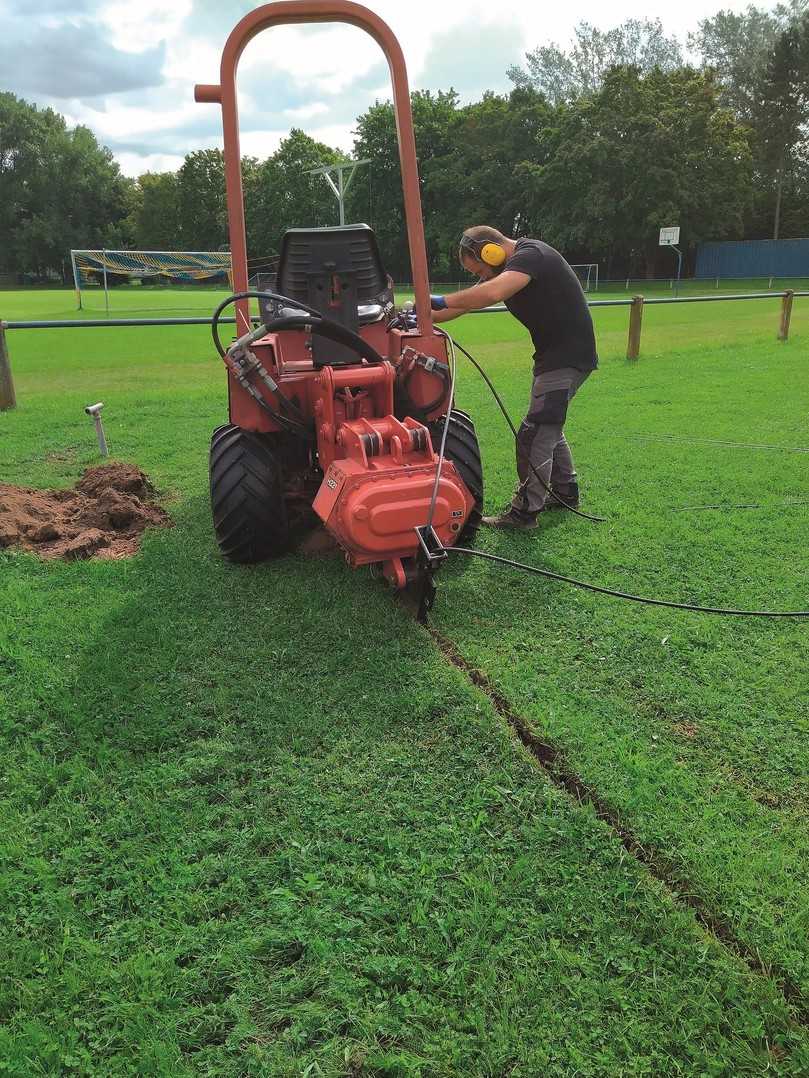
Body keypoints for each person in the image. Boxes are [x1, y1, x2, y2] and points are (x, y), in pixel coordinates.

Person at [430, 225, 598, 529]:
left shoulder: (531, 255)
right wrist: (420, 315)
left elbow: (490, 293)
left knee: (535, 434)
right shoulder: (506, 269)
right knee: (548, 427)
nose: (482, 276)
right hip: (555, 357)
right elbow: (466, 304)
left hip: (566, 358)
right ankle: (565, 491)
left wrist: (440, 299)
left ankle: (525, 513)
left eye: (480, 269)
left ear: (490, 251)